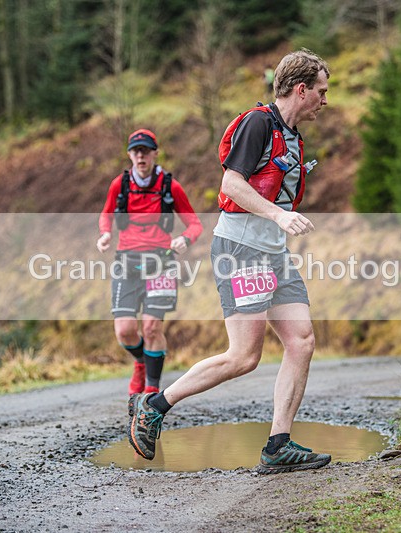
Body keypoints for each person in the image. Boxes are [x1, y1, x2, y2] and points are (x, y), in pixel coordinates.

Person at [127, 49, 331, 474]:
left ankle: (278, 445)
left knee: (302, 341)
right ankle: (154, 407)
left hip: (274, 253)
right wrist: (279, 214)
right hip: (241, 251)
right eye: (321, 91)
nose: (325, 100)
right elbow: (232, 184)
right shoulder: (260, 123)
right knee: (243, 356)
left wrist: (280, 223)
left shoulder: (293, 136)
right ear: (301, 89)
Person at [97, 128, 202, 396]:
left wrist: (185, 240)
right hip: (127, 261)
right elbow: (106, 215)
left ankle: (151, 393)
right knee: (124, 331)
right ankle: (142, 361)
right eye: (136, 151)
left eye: (146, 151)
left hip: (162, 262)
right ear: (130, 155)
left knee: (152, 326)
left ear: (155, 153)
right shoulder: (119, 185)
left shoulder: (170, 186)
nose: (141, 156)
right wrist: (106, 234)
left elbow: (194, 224)